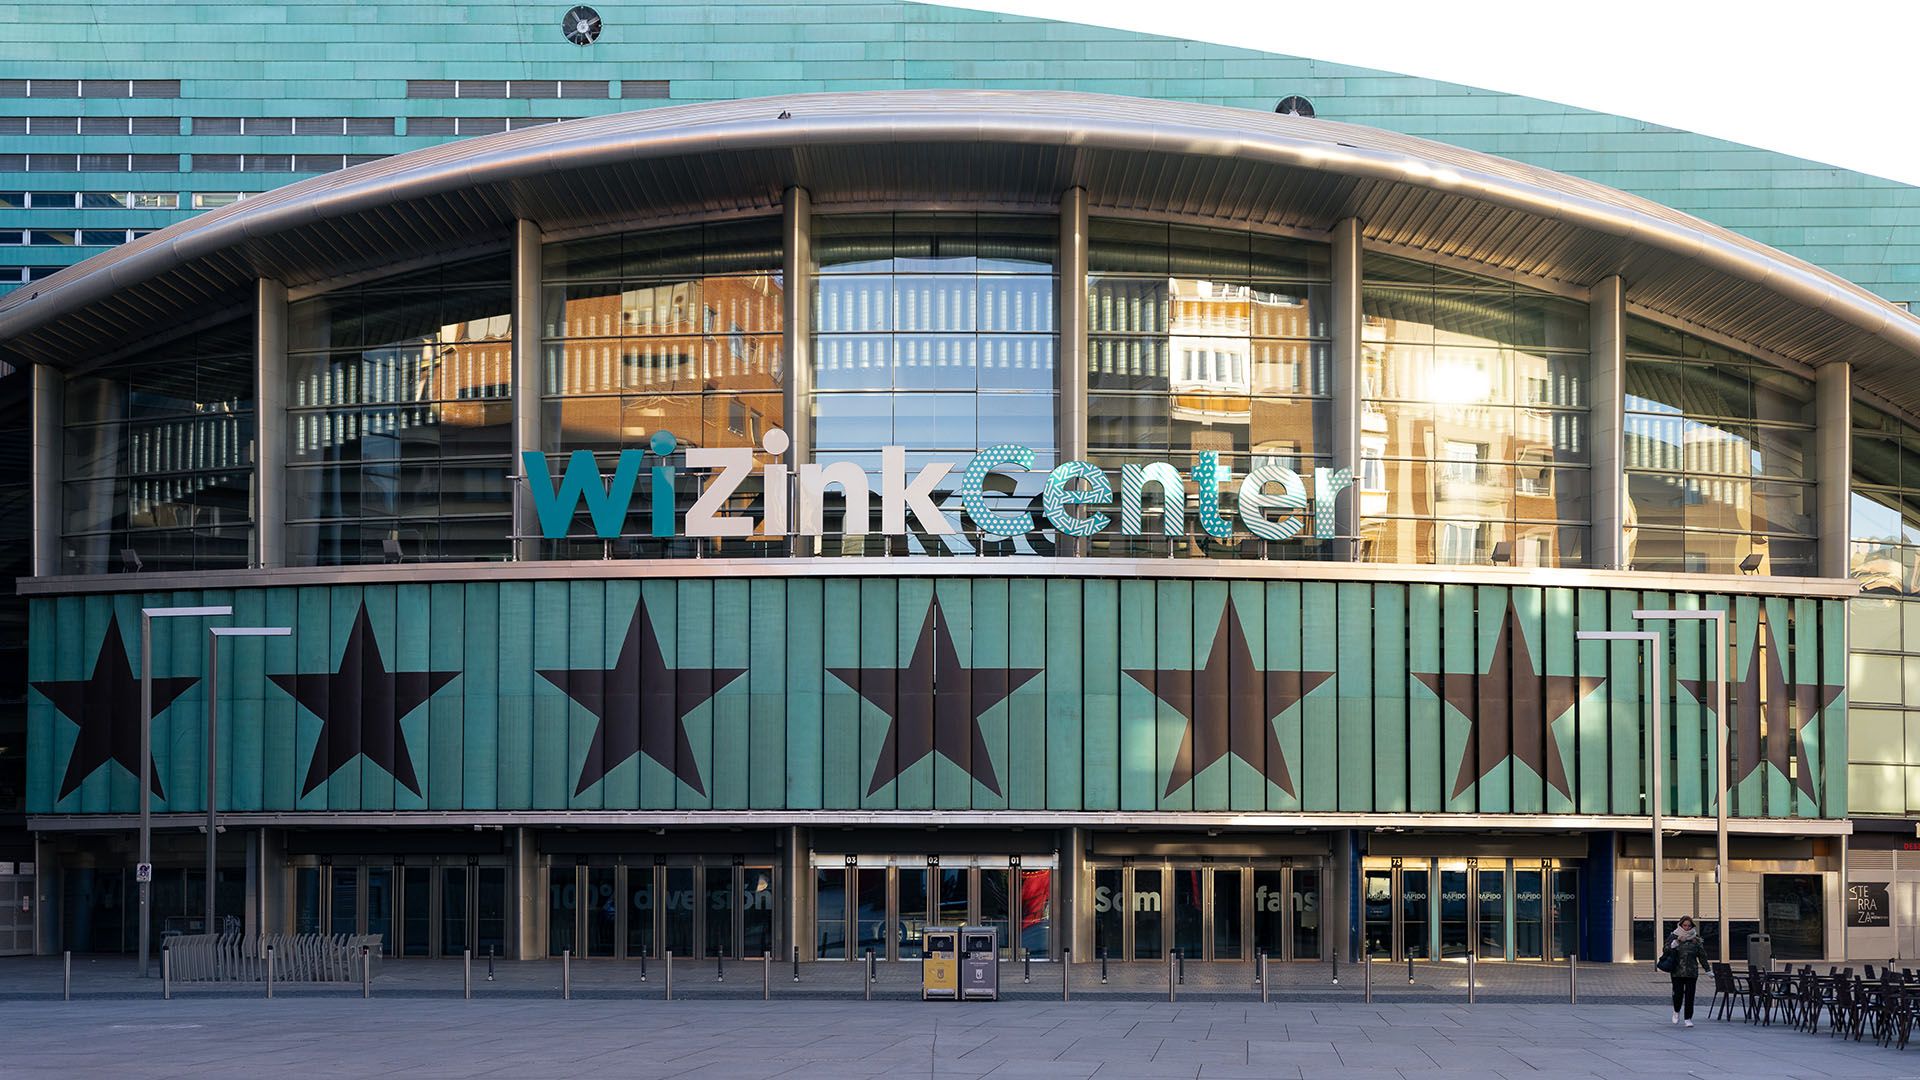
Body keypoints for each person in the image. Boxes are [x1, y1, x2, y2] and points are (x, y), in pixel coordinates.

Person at [1666, 915, 1707, 1027]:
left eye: (1689, 926)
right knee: (1678, 994)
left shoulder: (1695, 938)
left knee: (1690, 995)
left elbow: (1702, 955)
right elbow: (1666, 949)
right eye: (1685, 925)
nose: (1687, 928)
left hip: (1691, 971)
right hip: (1677, 971)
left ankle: (1688, 1018)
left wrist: (1707, 969)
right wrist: (1676, 942)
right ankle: (1676, 1011)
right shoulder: (1674, 935)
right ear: (1680, 925)